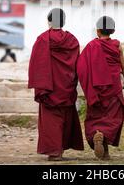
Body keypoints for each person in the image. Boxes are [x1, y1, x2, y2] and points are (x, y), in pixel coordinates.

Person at [28, 8, 84, 161]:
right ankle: (59, 150)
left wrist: (40, 86)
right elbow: (76, 63)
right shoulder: (72, 40)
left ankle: (54, 152)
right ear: (64, 21)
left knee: (51, 120)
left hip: (49, 87)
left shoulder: (43, 39)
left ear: (49, 21)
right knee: (65, 119)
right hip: (66, 86)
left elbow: (36, 65)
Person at [77, 16, 124, 160]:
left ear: (98, 31)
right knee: (113, 117)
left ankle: (98, 136)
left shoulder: (91, 46)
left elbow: (81, 68)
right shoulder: (116, 45)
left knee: (97, 118)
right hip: (113, 89)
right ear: (112, 30)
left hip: (96, 90)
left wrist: (87, 86)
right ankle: (104, 148)